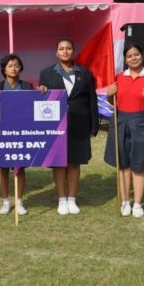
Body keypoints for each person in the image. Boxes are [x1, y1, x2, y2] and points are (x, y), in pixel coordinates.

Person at [39, 37, 99, 215]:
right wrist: (41, 92)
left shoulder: (85, 73)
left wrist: (94, 125)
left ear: (73, 51)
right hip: (55, 125)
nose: (65, 51)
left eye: (68, 48)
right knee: (59, 163)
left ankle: (72, 199)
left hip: (80, 123)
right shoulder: (46, 73)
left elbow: (92, 100)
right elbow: (42, 102)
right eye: (61, 48)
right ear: (56, 52)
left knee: (74, 162)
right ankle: (61, 199)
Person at [104, 43, 144, 218]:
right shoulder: (119, 77)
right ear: (125, 59)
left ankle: (137, 204)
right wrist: (108, 94)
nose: (133, 58)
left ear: (142, 56)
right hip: (121, 122)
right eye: (129, 56)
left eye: (136, 54)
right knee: (123, 165)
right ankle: (125, 202)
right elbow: (114, 103)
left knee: (139, 165)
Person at [0, 53, 34, 215]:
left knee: (20, 168)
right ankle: (5, 202)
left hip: (22, 133)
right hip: (2, 133)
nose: (14, 68)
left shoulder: (28, 87)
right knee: (3, 169)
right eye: (10, 66)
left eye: (17, 66)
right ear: (4, 69)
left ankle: (20, 201)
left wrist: (42, 92)